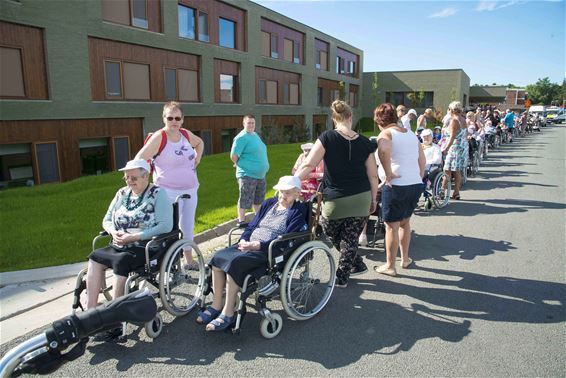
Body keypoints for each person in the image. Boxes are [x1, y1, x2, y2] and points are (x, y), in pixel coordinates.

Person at [198, 176, 307, 331]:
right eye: (281, 192)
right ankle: (216, 305)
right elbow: (252, 225)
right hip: (249, 244)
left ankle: (228, 313)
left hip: (268, 250)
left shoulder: (298, 210)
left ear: (297, 193)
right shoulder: (269, 203)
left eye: (288, 193)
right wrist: (243, 239)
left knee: (234, 265)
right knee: (217, 258)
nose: (283, 196)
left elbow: (285, 239)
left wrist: (258, 245)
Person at [295, 100, 379, 287]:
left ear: (334, 120)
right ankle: (355, 264)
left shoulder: (326, 137)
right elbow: (373, 175)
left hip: (335, 200)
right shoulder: (366, 143)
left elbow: (309, 164)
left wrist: (293, 181)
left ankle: (343, 275)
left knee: (330, 230)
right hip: (361, 197)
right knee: (350, 239)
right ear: (351, 117)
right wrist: (373, 199)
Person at [86, 159, 173, 339]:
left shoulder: (158, 193)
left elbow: (166, 225)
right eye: (126, 177)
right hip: (119, 242)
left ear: (145, 175)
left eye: (133, 177)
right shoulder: (122, 193)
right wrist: (113, 231)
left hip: (144, 246)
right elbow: (107, 219)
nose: (129, 181)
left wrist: (135, 236)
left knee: (121, 261)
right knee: (95, 257)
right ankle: (90, 314)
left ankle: (115, 320)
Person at [135, 102, 204, 271]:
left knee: (187, 226)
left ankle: (188, 259)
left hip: (191, 189)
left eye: (177, 118)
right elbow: (139, 159)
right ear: (164, 118)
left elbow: (200, 142)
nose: (174, 121)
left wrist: (198, 157)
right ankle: (170, 264)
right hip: (168, 192)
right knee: (169, 229)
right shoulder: (159, 137)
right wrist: (139, 180)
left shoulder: (185, 134)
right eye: (170, 118)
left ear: (182, 120)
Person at [373, 103, 425, 277]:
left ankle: (390, 265)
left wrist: (388, 173)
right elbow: (422, 159)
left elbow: (383, 150)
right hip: (415, 183)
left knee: (391, 227)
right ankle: (405, 259)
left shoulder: (386, 133)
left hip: (396, 186)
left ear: (379, 121)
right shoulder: (411, 134)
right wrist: (418, 175)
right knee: (405, 223)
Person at [230, 114, 270, 225]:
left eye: (253, 122)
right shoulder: (241, 137)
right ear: (244, 124)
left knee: (258, 199)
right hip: (247, 174)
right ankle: (241, 221)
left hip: (260, 175)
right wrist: (238, 163)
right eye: (249, 123)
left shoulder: (255, 135)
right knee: (245, 198)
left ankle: (258, 219)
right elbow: (234, 155)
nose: (251, 125)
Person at [441, 101, 468, 200]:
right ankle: (456, 192)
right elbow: (465, 134)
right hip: (462, 147)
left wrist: (446, 148)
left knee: (447, 170)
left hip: (455, 147)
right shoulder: (463, 120)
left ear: (452, 110)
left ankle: (442, 191)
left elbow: (452, 137)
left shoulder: (454, 121)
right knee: (457, 171)